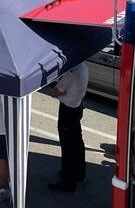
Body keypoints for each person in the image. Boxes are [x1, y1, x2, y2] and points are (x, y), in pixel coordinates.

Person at [48, 63, 89, 192]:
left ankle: (68, 180)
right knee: (77, 142)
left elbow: (55, 92)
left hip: (68, 110)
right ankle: (79, 172)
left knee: (67, 147)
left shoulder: (71, 74)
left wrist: (54, 87)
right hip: (77, 107)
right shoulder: (83, 68)